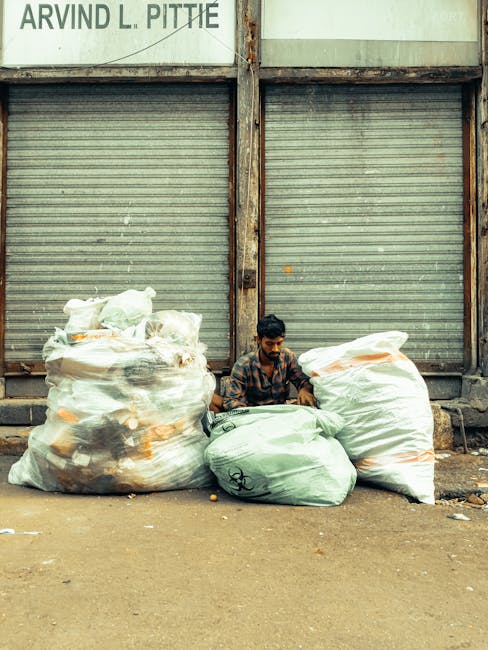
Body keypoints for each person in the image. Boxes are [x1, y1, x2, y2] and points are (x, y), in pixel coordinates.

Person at [221, 314, 316, 411]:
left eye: (279, 343)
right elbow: (231, 402)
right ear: (258, 340)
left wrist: (304, 390)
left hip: (281, 414)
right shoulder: (243, 365)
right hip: (253, 416)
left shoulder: (287, 357)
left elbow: (304, 381)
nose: (275, 349)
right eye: (269, 344)